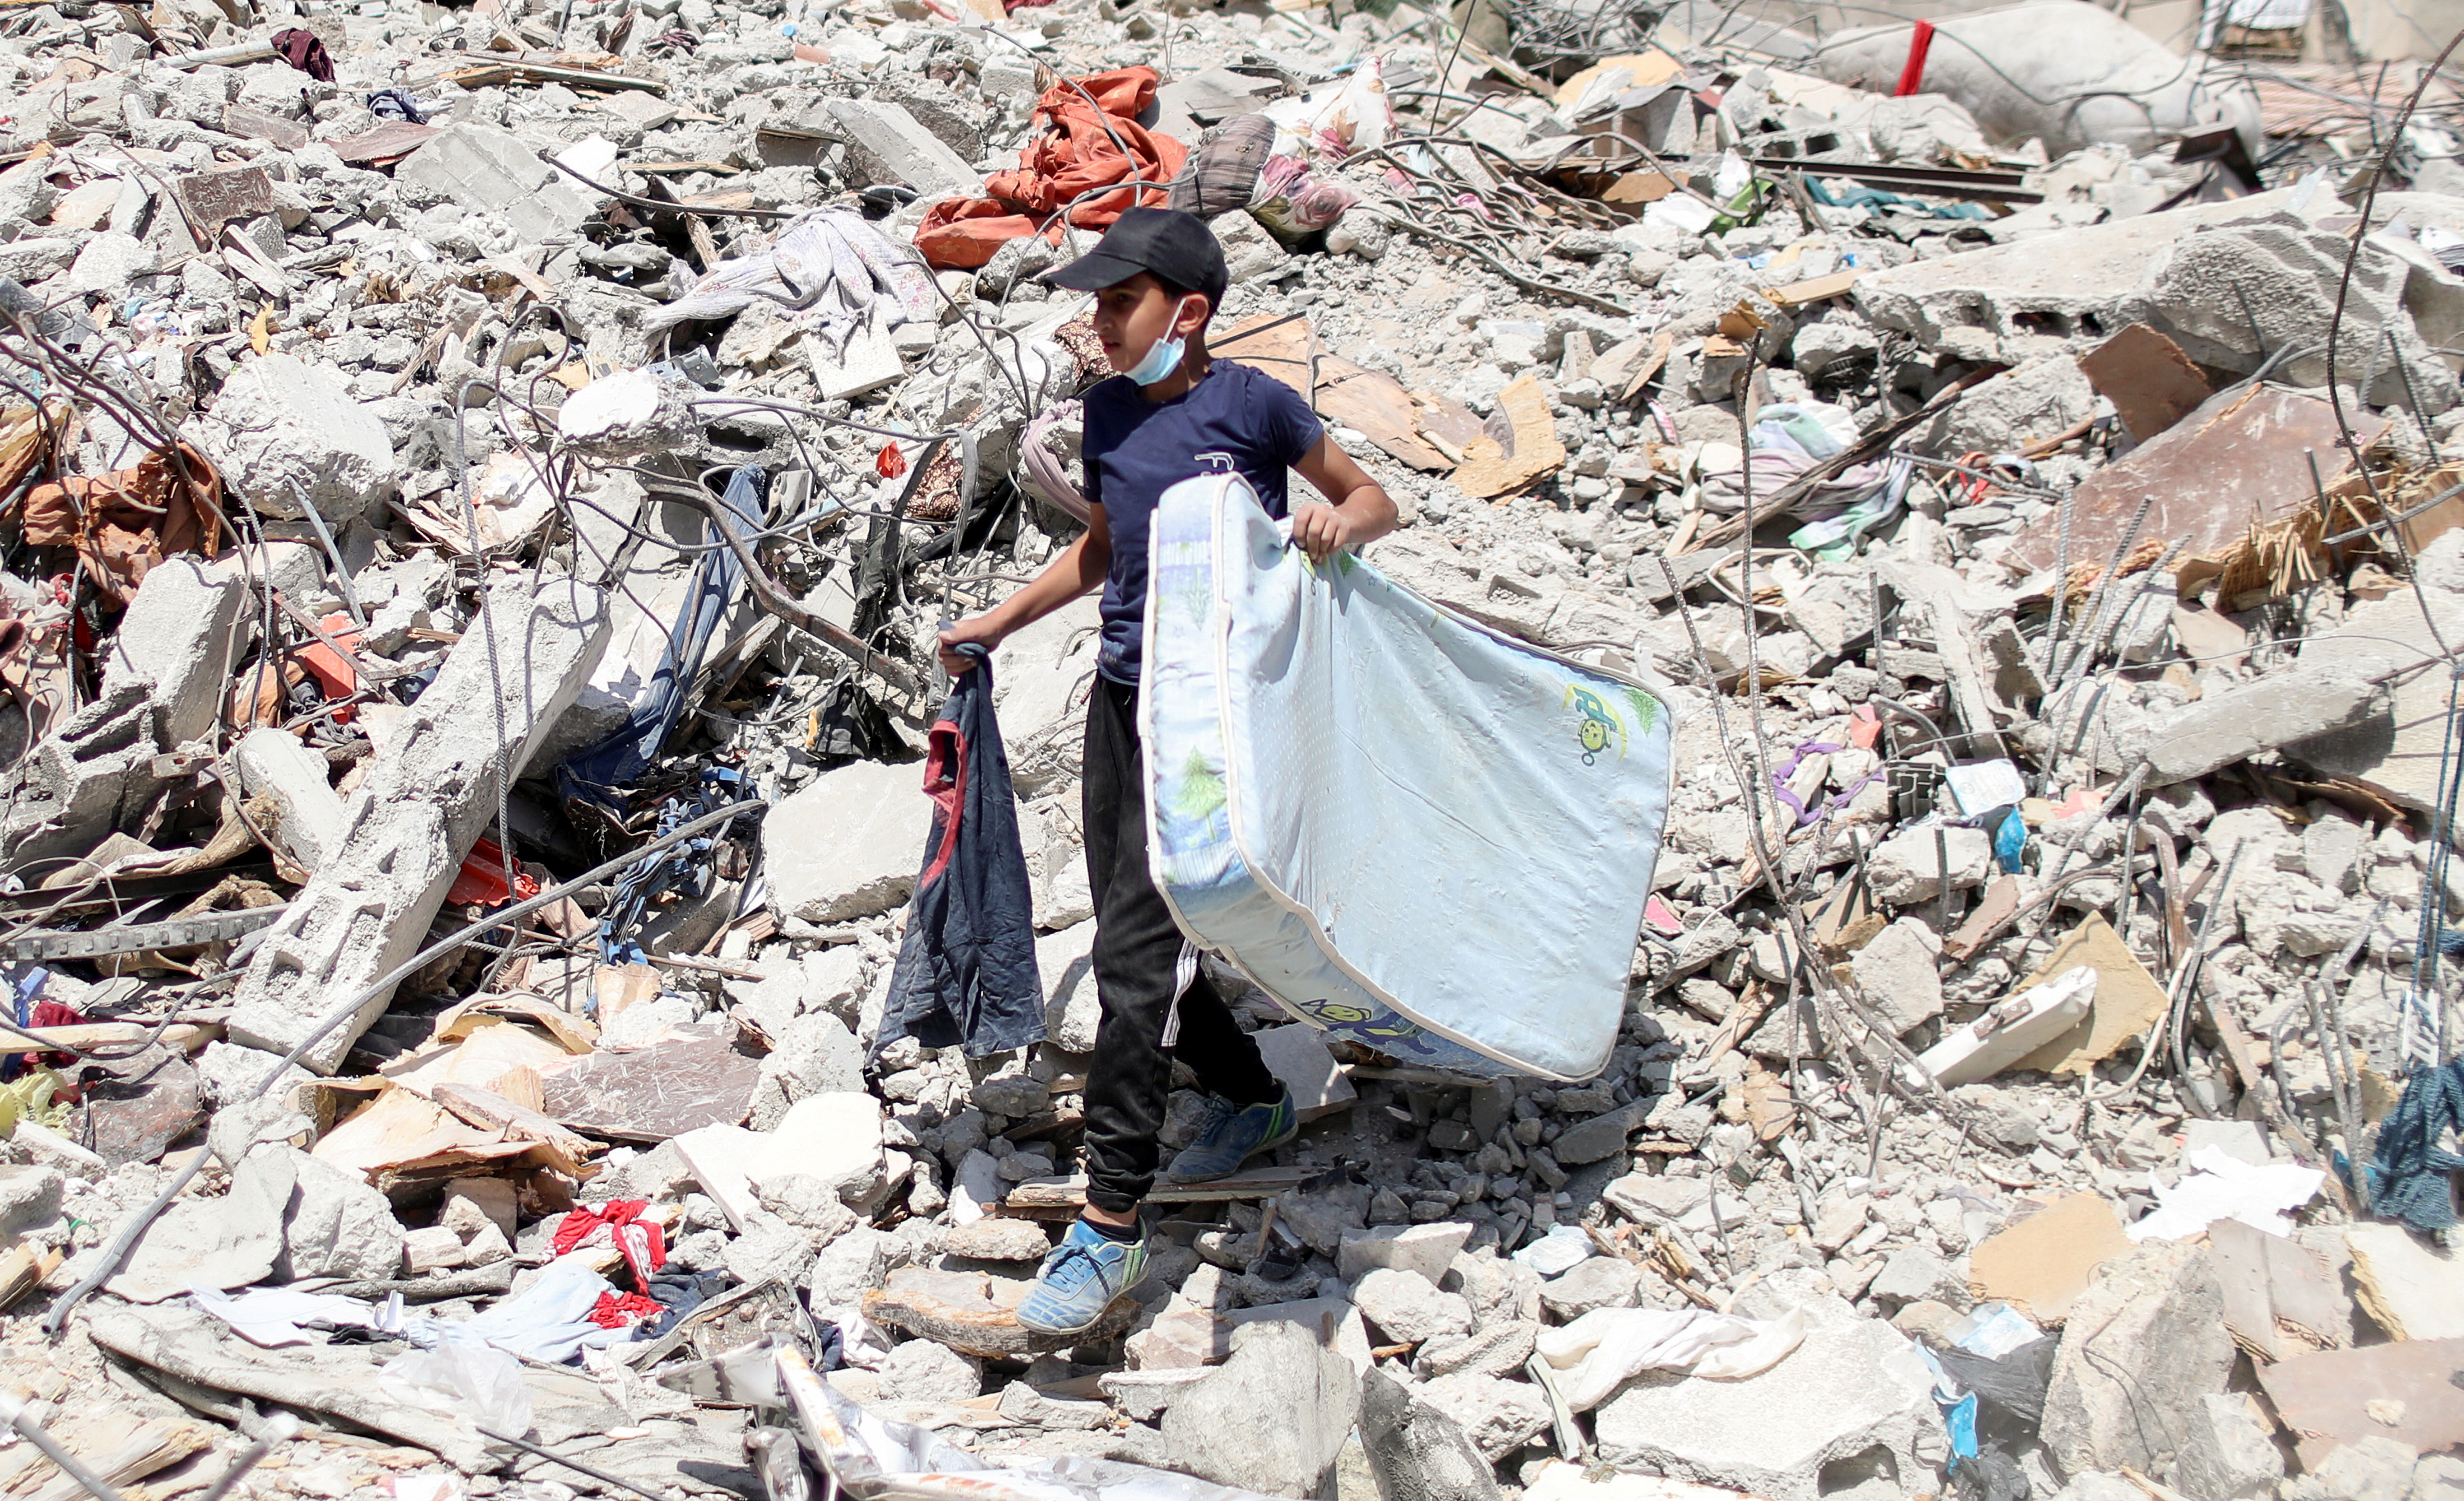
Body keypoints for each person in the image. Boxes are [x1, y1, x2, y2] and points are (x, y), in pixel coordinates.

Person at [936, 208, 1400, 1334]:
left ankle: (1110, 1223)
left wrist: (1342, 526)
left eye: (1118, 303)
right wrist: (998, 620)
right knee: (1129, 924)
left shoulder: (1253, 405)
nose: (1097, 324)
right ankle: (1251, 1093)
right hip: (1126, 699)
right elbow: (1105, 545)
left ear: (1186, 313)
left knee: (1136, 960)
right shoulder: (1102, 411)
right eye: (1096, 304)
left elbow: (1373, 494)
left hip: (1224, 715)